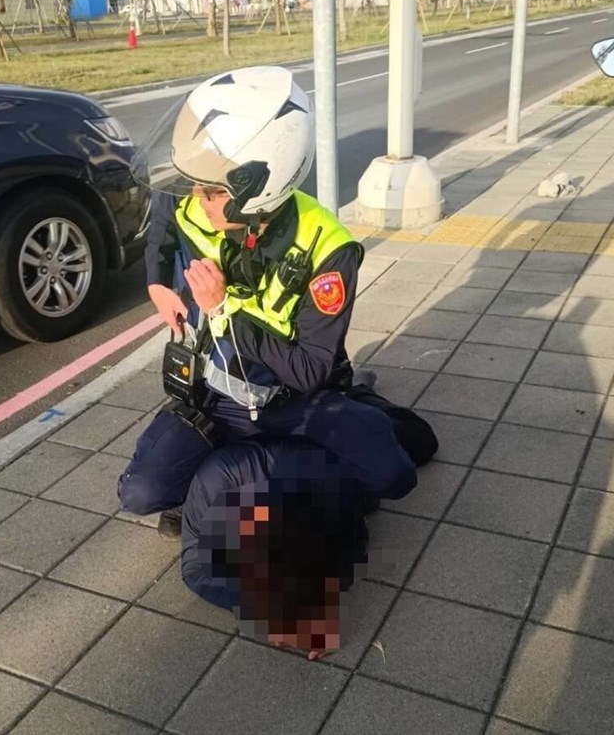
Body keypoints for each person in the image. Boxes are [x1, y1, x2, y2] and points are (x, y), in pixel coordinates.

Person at [118, 65, 435, 538]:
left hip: (297, 398)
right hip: (216, 399)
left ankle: (360, 402)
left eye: (209, 190)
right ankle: (244, 474)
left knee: (397, 471)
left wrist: (225, 309)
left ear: (257, 188)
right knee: (140, 493)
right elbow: (165, 214)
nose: (195, 197)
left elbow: (308, 370)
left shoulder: (327, 248)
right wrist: (156, 282)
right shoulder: (201, 206)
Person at [180, 435, 370, 661]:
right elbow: (194, 570)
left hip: (301, 460)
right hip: (234, 476)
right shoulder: (213, 489)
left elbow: (355, 540)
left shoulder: (322, 490)